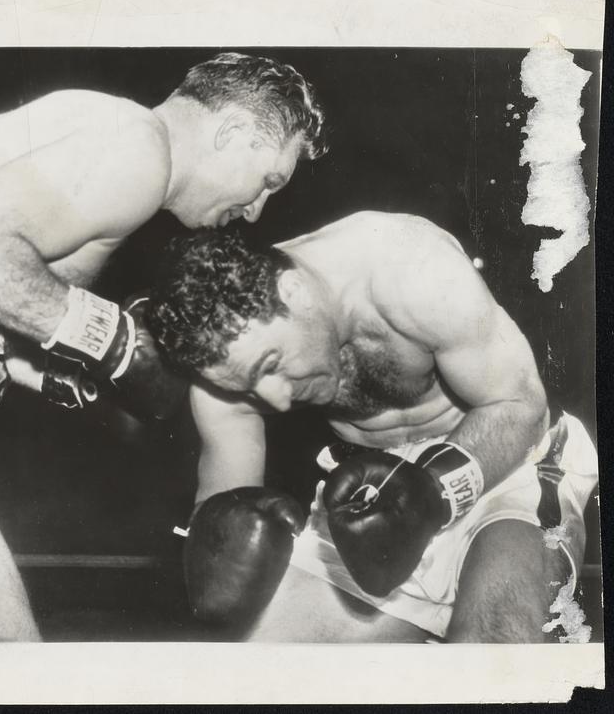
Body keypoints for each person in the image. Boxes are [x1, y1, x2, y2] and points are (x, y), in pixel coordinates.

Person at [0, 52, 328, 642]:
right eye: (268, 180)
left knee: (7, 654)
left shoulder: (111, 143)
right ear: (231, 131)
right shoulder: (138, 146)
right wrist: (115, 342)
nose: (256, 210)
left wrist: (66, 372)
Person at [147, 212, 599, 643]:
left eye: (272, 364)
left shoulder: (408, 268)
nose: (276, 399)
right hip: (368, 499)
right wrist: (217, 558)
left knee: (494, 651)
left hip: (508, 465)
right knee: (255, 673)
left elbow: (520, 405)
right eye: (249, 386)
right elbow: (222, 527)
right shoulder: (219, 376)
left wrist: (429, 496)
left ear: (295, 291)